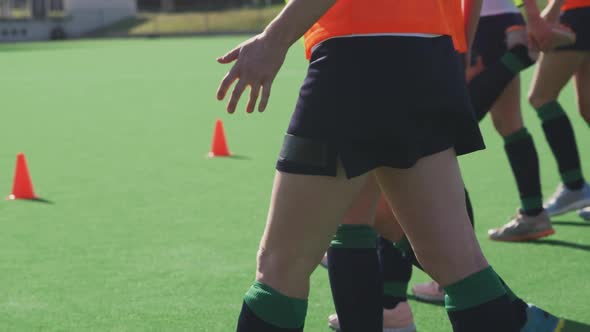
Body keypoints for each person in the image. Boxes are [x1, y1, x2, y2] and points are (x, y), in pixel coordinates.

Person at [217, 0, 534, 331]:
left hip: (357, 55)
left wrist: (274, 39)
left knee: (280, 267)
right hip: (431, 52)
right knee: (457, 263)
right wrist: (460, 47)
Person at [490, 0, 590, 240]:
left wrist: (552, 11)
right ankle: (574, 186)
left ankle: (574, 186)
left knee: (541, 97)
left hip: (576, 12)